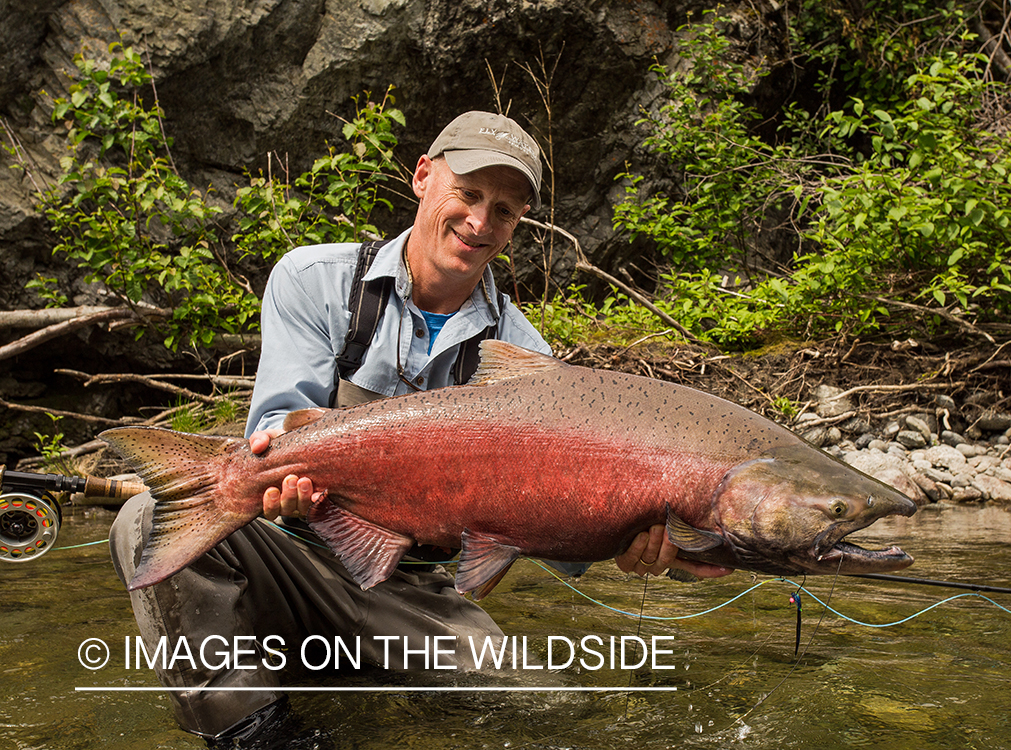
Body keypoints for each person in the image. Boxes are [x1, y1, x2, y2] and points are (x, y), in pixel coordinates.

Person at [109, 110, 731, 748]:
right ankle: (256, 733)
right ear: (423, 177)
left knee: (553, 716)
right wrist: (280, 472)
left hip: (411, 591)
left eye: (506, 211)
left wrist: (630, 541)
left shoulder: (524, 356)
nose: (481, 222)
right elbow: (273, 426)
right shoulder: (315, 281)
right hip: (287, 555)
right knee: (141, 522)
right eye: (468, 194)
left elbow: (556, 542)